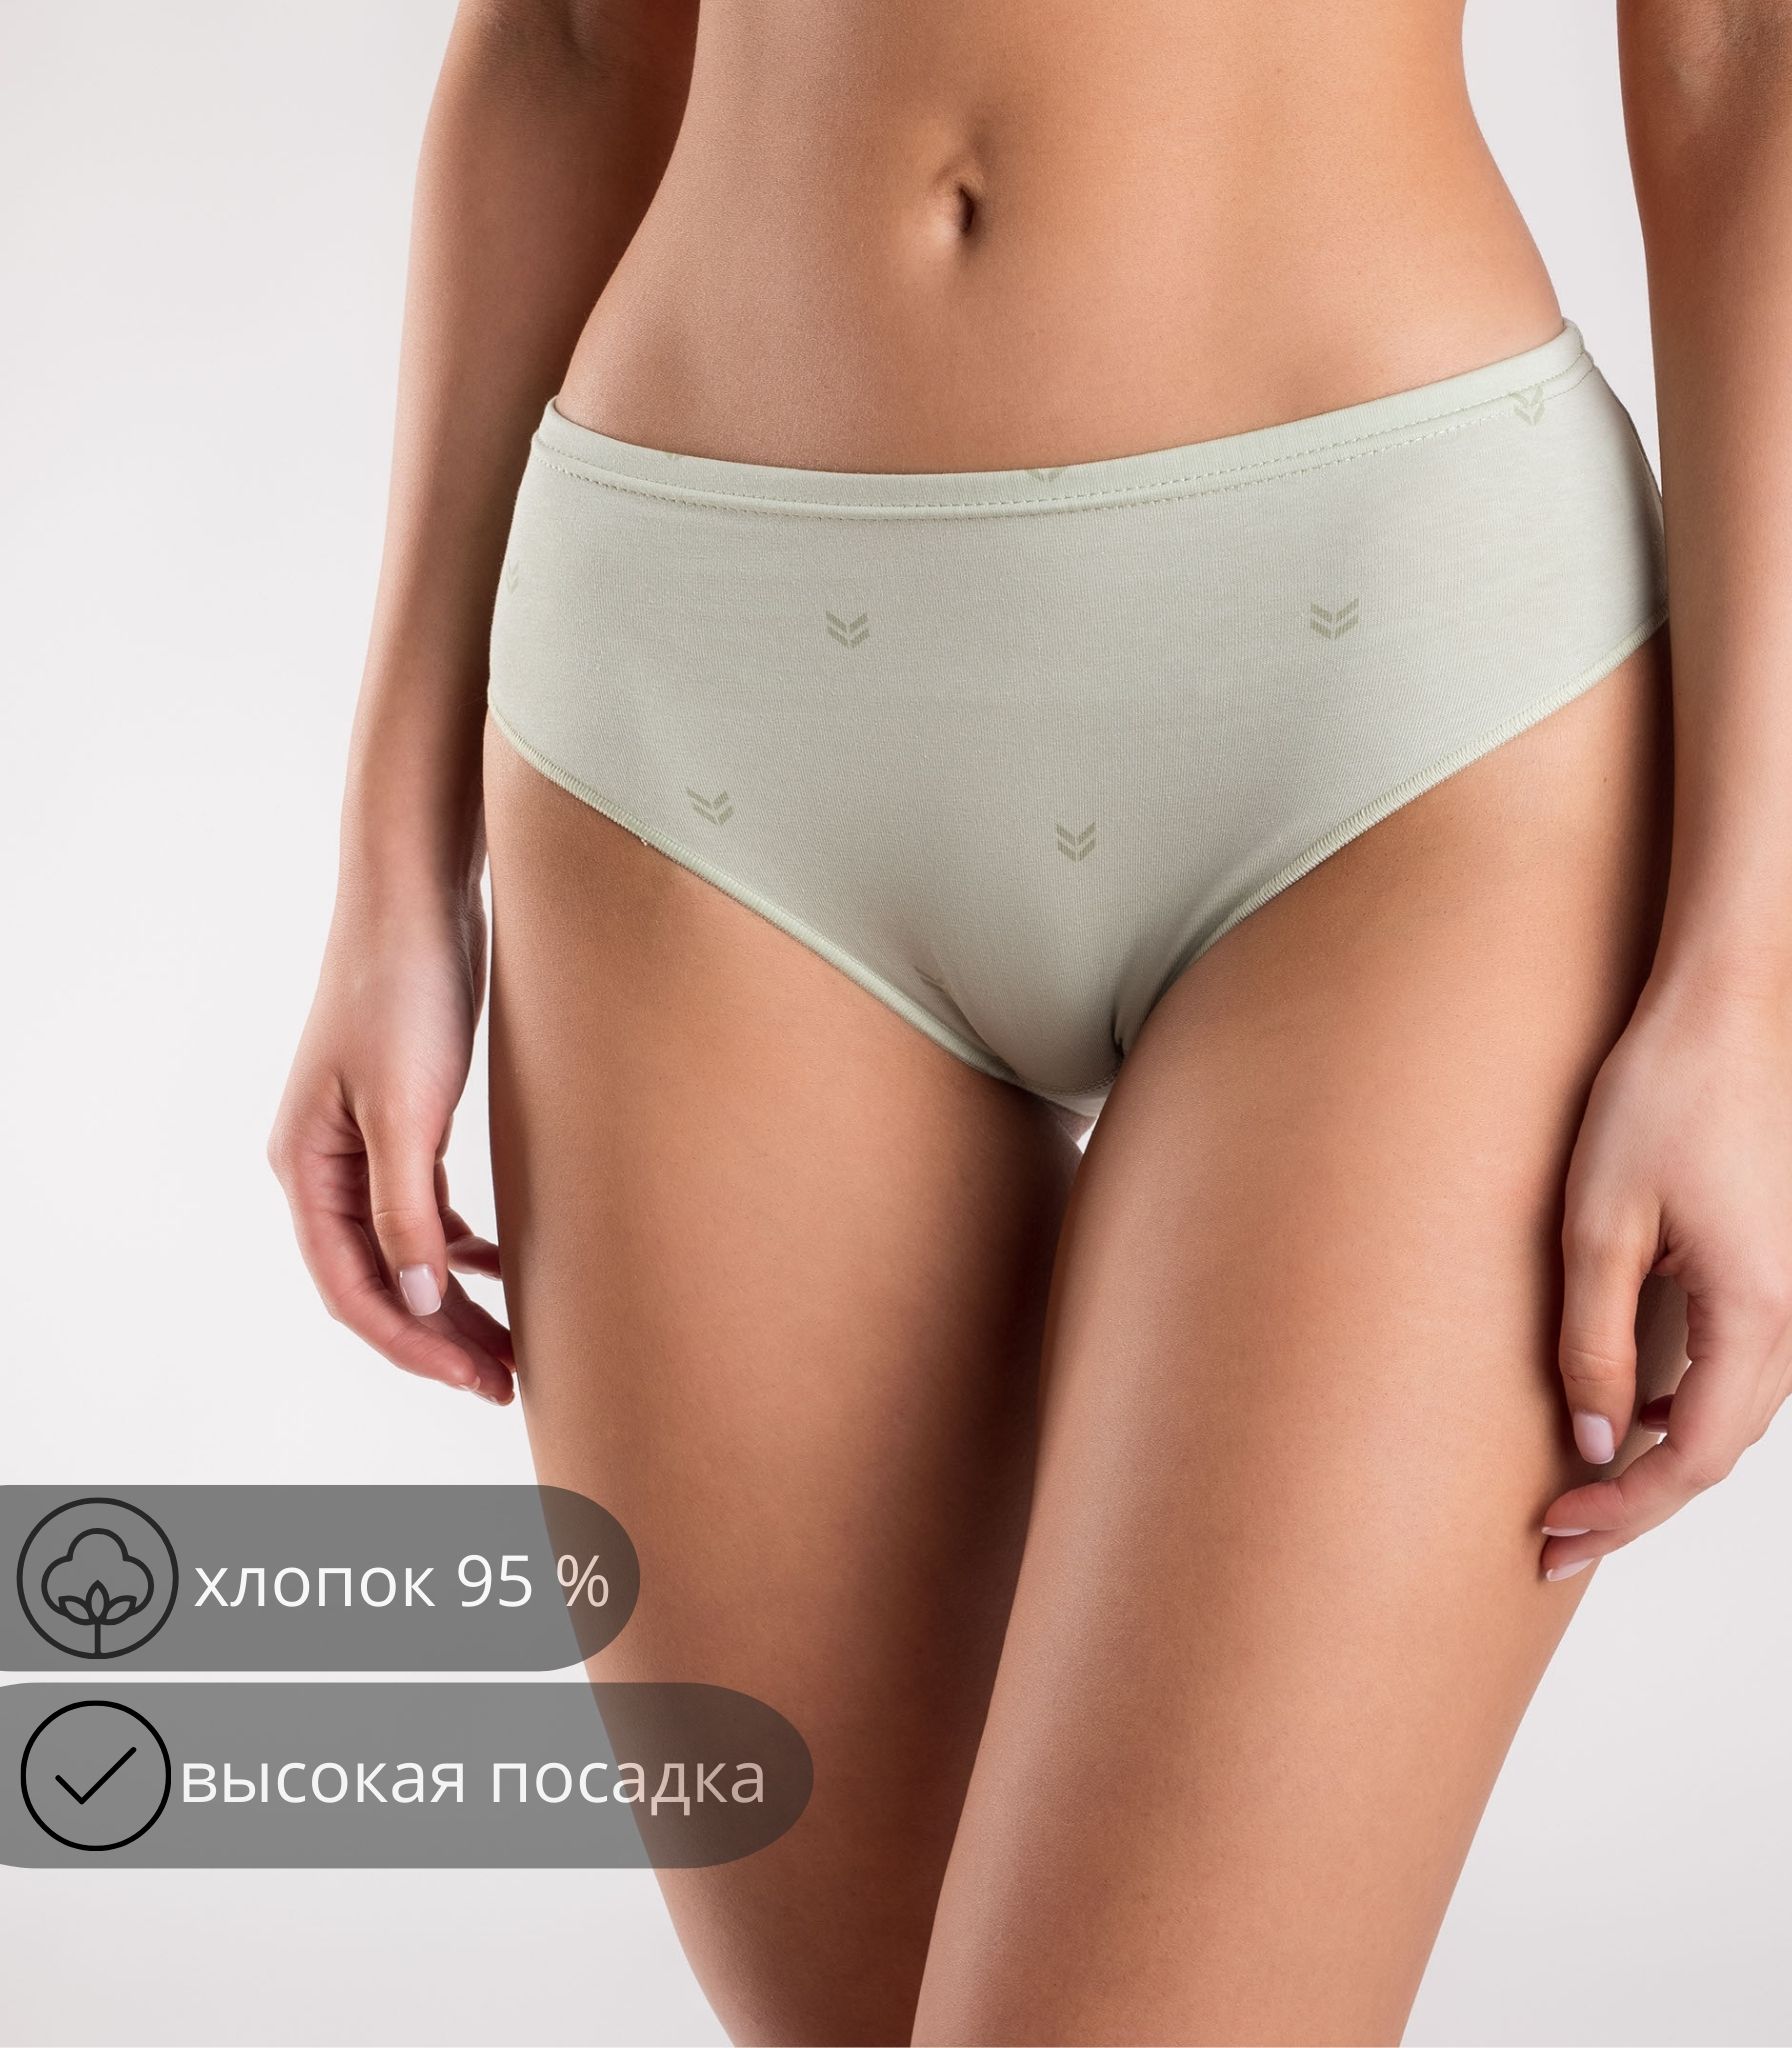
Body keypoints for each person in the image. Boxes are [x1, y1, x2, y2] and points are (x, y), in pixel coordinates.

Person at [269, 3, 1792, 2040]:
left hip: (1399, 706)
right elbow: (562, 39)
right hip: (687, 720)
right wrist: (394, 856)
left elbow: (1735, 59)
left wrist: (1749, 976)